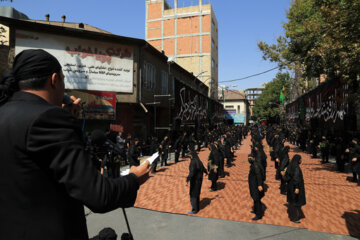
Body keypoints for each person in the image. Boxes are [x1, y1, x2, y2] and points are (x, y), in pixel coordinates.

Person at [0, 49, 150, 240]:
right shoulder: (49, 120)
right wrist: (133, 179)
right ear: (54, 80)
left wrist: (66, 118)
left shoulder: (5, 112)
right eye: (63, 80)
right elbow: (99, 196)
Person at [284, 154, 306, 223]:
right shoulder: (296, 167)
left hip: (290, 186)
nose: (301, 160)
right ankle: (294, 217)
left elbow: (286, 176)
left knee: (292, 201)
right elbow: (296, 178)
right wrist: (297, 187)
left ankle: (294, 216)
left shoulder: (290, 166)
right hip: (295, 186)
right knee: (296, 202)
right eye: (300, 159)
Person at [248, 153, 265, 221]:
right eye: (248, 158)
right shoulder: (254, 164)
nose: (249, 159)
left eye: (250, 158)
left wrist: (260, 185)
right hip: (253, 184)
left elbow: (259, 175)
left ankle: (259, 215)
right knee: (255, 198)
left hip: (256, 185)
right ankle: (255, 210)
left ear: (254, 158)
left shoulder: (255, 165)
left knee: (257, 199)